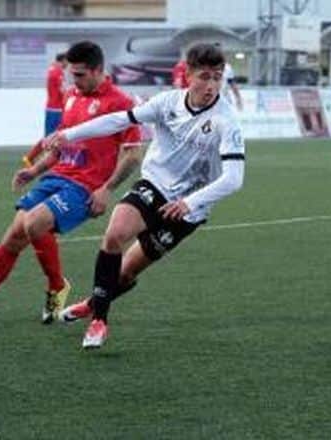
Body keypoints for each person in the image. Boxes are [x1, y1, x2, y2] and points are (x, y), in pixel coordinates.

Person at [44, 43, 245, 349]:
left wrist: (190, 203)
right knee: (115, 235)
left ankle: (91, 304)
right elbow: (118, 120)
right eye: (205, 76)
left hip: (190, 207)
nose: (212, 85)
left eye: (218, 77)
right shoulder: (167, 103)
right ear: (188, 75)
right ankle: (99, 320)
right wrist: (68, 134)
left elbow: (234, 178)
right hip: (156, 184)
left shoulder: (226, 121)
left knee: (125, 273)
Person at [0, 41, 142, 324]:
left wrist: (106, 189)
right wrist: (33, 170)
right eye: (72, 74)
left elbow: (133, 154)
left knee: (33, 223)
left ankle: (57, 285)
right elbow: (61, 146)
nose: (74, 80)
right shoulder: (71, 96)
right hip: (57, 177)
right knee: (14, 235)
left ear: (98, 70)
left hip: (84, 188)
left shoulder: (121, 104)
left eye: (81, 74)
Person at [22, 52, 68, 168]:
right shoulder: (58, 72)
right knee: (51, 137)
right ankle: (32, 157)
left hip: (52, 108)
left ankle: (33, 157)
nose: (68, 64)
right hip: (56, 109)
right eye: (67, 61)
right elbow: (62, 91)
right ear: (63, 60)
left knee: (53, 135)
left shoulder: (52, 70)